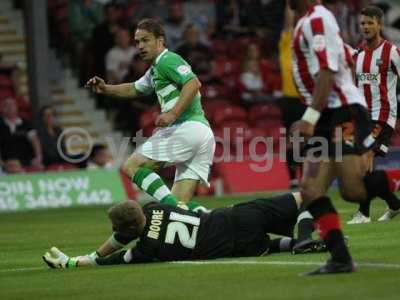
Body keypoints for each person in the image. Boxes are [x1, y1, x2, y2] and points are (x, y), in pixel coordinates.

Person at [86, 19, 215, 206]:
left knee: (132, 166)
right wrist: (106, 88)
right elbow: (134, 89)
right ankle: (217, 221)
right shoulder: (155, 69)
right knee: (180, 210)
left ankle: (171, 206)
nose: (140, 46)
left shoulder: (167, 60)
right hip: (202, 134)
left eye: (145, 40)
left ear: (160, 41)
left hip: (186, 127)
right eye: (137, 42)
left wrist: (172, 114)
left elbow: (193, 83)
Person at [289, 0, 373, 275]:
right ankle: (340, 258)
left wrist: (308, 118)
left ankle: (392, 181)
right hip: (326, 113)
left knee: (353, 191)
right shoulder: (307, 21)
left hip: (339, 112)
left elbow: (327, 71)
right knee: (311, 190)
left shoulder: (317, 19)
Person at [42, 192, 325, 269]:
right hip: (236, 215)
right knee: (305, 197)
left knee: (269, 247)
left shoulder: (146, 249)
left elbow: (113, 257)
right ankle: (305, 237)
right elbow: (125, 232)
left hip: (237, 246)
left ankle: (296, 243)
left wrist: (77, 262)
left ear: (127, 229)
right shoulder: (154, 209)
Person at [347, 5, 400, 224]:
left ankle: (364, 213)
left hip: (383, 115)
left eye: (370, 23)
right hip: (363, 118)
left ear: (379, 24)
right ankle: (395, 204)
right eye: (363, 23)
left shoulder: (392, 52)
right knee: (364, 166)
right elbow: (355, 85)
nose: (366, 27)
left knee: (364, 158)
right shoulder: (358, 54)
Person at [278, 3, 307, 189]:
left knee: (305, 139)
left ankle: (304, 176)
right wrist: (290, 4)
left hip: (305, 99)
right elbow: (288, 23)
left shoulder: (306, 47)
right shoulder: (286, 42)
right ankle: (293, 178)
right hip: (289, 99)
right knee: (291, 140)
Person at [0, 98, 43, 168]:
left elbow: (35, 141)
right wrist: (2, 163)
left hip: (27, 160)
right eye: (6, 105)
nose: (10, 108)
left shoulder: (26, 123)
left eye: (12, 105)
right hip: (7, 161)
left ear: (16, 107)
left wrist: (38, 157)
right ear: (2, 108)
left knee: (40, 167)